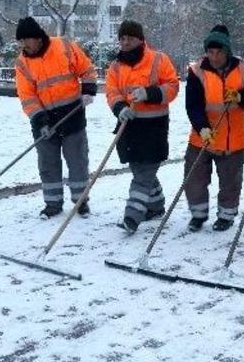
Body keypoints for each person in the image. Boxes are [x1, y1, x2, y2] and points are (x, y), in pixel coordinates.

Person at [14, 16, 98, 219]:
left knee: (77, 161)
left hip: (72, 114)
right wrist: (40, 120)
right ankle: (52, 203)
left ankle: (81, 201)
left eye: (27, 40)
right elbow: (27, 95)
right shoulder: (22, 63)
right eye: (21, 41)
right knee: (48, 163)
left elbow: (87, 69)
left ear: (38, 38)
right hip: (44, 120)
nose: (24, 45)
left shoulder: (64, 46)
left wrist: (87, 91)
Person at [184, 24, 244, 232]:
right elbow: (192, 104)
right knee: (195, 179)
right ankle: (198, 215)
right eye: (210, 52)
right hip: (202, 137)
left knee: (230, 182)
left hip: (232, 139)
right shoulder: (197, 72)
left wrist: (240, 97)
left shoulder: (243, 69)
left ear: (227, 51)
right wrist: (202, 127)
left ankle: (226, 216)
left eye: (218, 52)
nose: (214, 56)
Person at [105, 20, 179, 234]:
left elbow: (172, 87)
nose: (125, 42)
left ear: (140, 39)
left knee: (144, 173)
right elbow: (112, 92)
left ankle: (132, 216)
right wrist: (120, 108)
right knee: (139, 169)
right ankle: (156, 206)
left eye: (130, 38)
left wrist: (150, 93)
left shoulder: (158, 59)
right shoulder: (115, 66)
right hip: (129, 126)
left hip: (154, 127)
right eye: (122, 38)